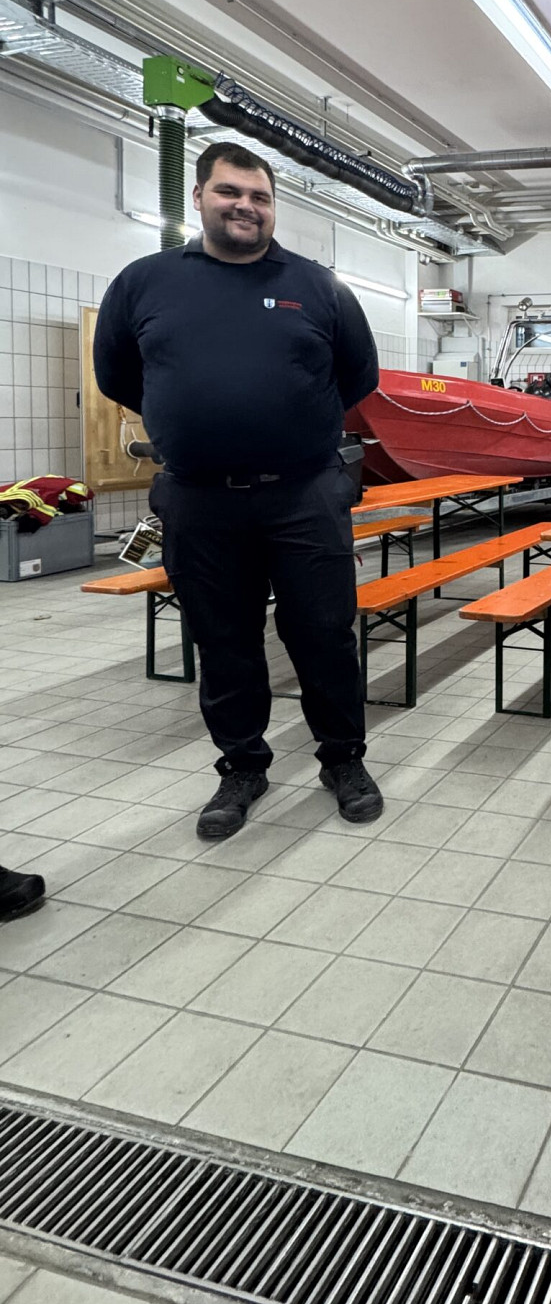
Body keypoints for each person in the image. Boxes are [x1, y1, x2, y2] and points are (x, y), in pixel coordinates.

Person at [94, 143, 383, 841]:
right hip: (199, 497)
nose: (245, 206)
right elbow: (117, 375)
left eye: (259, 196)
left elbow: (359, 375)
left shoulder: (318, 285)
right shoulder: (144, 282)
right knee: (223, 639)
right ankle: (243, 767)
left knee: (323, 634)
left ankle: (343, 759)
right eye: (230, 192)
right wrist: (194, 417)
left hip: (304, 494)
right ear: (198, 197)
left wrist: (285, 423)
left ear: (273, 207)